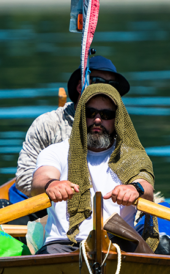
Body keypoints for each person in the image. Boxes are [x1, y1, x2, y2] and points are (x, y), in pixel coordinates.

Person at [30, 83, 158, 254]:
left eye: (106, 114)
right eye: (91, 113)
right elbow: (40, 180)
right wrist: (51, 185)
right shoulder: (56, 151)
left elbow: (146, 185)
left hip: (119, 244)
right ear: (82, 117)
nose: (97, 120)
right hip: (64, 244)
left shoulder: (132, 156)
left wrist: (134, 189)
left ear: (117, 119)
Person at [12, 56, 131, 201]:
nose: (104, 89)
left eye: (111, 85)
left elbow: (138, 173)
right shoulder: (48, 124)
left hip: (108, 205)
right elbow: (24, 178)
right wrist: (53, 186)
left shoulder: (118, 127)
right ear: (80, 86)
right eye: (98, 82)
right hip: (52, 206)